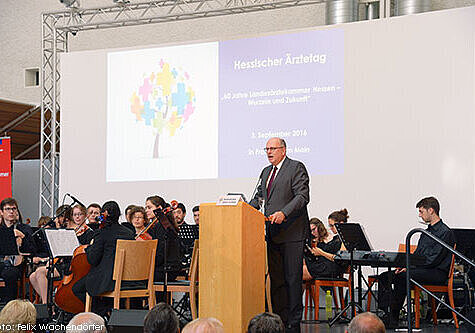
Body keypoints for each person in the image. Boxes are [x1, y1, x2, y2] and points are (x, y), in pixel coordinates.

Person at [249, 137, 310, 332]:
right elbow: (258, 198)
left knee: (292, 279)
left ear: (283, 150)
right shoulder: (266, 172)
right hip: (272, 232)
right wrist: (243, 209)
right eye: (266, 148)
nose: (269, 152)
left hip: (292, 233)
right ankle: (279, 322)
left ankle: (293, 323)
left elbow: (302, 197)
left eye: (273, 148)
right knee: (277, 280)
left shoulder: (296, 167)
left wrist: (284, 213)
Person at [377, 196, 455, 328]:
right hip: (423, 269)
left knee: (402, 277)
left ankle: (393, 319)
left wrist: (409, 269)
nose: (420, 215)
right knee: (385, 276)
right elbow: (418, 256)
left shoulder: (445, 232)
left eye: (421, 211)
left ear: (431, 210)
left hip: (437, 272)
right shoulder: (425, 232)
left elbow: (433, 260)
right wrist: (405, 266)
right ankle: (387, 312)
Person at [72, 201, 134, 316]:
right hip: (128, 280)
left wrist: (89, 248)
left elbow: (93, 260)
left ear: (104, 214)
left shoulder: (102, 233)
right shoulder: (129, 233)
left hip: (108, 281)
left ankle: (103, 313)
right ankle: (109, 311)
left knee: (77, 288)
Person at [29, 204, 94, 304]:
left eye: (80, 214)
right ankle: (51, 303)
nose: (77, 217)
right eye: (74, 214)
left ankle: (46, 305)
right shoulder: (70, 231)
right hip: (64, 262)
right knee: (32, 277)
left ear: (85, 216)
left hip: (74, 266)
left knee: (40, 272)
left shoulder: (89, 232)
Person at [0, 197, 35, 303]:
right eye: (7, 209)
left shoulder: (24, 228)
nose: (11, 211)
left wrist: (23, 237)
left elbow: (32, 250)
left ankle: (9, 305)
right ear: (1, 212)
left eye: (14, 209)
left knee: (10, 273)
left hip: (17, 264)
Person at [145, 195, 182, 282]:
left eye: (149, 207)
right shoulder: (164, 224)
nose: (146, 210)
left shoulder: (161, 226)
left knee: (138, 276)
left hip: (166, 270)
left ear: (159, 208)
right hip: (169, 269)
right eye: (146, 207)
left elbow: (161, 253)